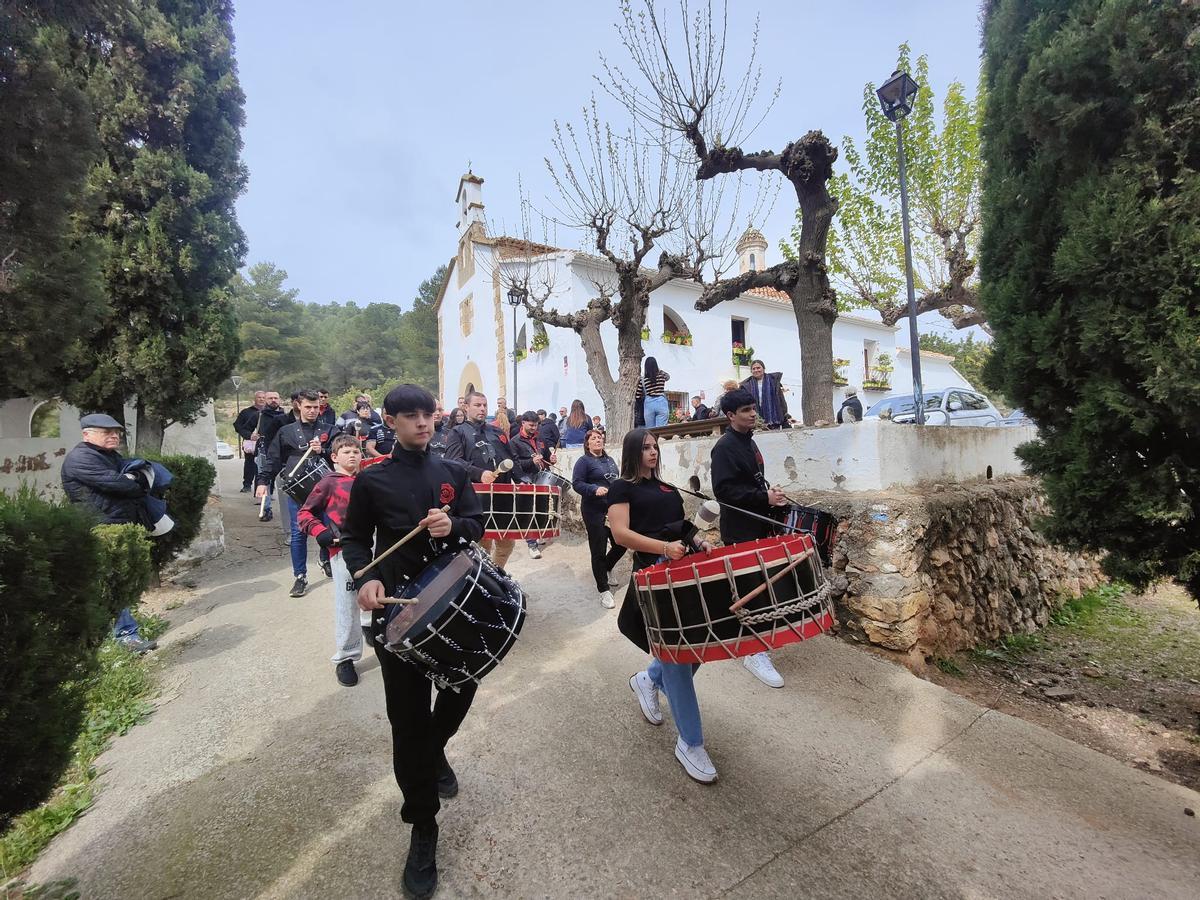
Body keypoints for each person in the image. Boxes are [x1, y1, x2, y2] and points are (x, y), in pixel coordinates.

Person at [340, 384, 485, 900]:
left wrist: (453, 525)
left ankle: (432, 749)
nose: (423, 422)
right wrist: (365, 578)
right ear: (391, 420)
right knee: (407, 721)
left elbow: (477, 525)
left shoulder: (453, 473)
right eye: (411, 415)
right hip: (398, 615)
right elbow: (354, 539)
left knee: (463, 688)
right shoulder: (371, 479)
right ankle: (423, 826)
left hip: (455, 607)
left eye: (428, 414)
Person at [609, 428, 717, 783]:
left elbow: (680, 527)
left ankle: (648, 679)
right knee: (677, 657)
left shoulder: (668, 489)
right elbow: (621, 534)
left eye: (655, 447)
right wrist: (663, 549)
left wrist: (698, 541)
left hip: (684, 575)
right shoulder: (622, 488)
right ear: (632, 452)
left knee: (699, 643)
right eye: (645, 448)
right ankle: (691, 743)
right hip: (653, 578)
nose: (653, 452)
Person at [710, 387, 790, 689]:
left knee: (760, 587)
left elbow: (750, 484)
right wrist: (762, 498)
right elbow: (724, 491)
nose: (753, 414)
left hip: (757, 525)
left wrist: (769, 495)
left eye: (753, 408)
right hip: (739, 529)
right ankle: (753, 652)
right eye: (745, 410)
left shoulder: (749, 441)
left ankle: (753, 642)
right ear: (731, 415)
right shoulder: (724, 447)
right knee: (750, 589)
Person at [61, 413, 157, 654]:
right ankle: (126, 637)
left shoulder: (109, 456)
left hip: (117, 524)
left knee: (119, 581)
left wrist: (132, 479)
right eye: (106, 432)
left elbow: (136, 479)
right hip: (102, 527)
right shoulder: (81, 458)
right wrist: (131, 480)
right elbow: (120, 484)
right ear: (87, 434)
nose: (114, 436)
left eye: (116, 432)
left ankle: (111, 632)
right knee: (113, 581)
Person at [298, 434, 366, 686]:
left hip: (373, 546)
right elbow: (305, 514)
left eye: (356, 451)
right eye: (346, 452)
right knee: (347, 602)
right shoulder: (328, 482)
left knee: (377, 591)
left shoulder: (368, 480)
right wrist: (320, 532)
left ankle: (370, 626)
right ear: (334, 457)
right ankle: (346, 657)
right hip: (343, 550)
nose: (353, 455)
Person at [256, 390, 333, 597]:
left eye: (316, 407)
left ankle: (325, 559)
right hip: (297, 490)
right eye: (308, 407)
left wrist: (323, 451)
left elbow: (339, 455)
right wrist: (263, 481)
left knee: (328, 528)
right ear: (299, 405)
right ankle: (300, 576)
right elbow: (273, 459)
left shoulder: (329, 429)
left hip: (325, 488)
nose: (312, 411)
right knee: (298, 533)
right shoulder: (286, 431)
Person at [445, 390, 517, 568]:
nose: (482, 409)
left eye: (485, 405)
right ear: (466, 407)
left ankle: (496, 575)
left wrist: (523, 480)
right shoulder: (457, 432)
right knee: (482, 545)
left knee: (506, 545)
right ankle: (483, 579)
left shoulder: (497, 431)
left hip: (501, 498)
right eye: (477, 405)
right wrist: (479, 473)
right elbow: (453, 461)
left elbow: (511, 460)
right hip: (475, 498)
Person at [572, 428, 625, 608]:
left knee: (622, 543)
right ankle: (604, 591)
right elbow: (577, 483)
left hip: (613, 509)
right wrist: (593, 489)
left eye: (600, 437)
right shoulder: (583, 461)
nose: (598, 440)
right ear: (587, 443)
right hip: (594, 511)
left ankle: (607, 567)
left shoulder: (610, 460)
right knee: (598, 550)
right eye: (594, 438)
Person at [510, 411, 557, 559]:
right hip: (526, 479)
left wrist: (552, 459)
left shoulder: (540, 438)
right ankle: (531, 544)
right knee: (529, 511)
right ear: (523, 423)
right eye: (531, 425)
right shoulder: (514, 442)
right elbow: (514, 465)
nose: (534, 428)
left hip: (542, 477)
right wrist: (531, 462)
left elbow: (547, 456)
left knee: (541, 509)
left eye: (536, 425)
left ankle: (537, 534)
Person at [255, 391, 288, 521]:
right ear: (265, 400)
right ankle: (266, 509)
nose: (273, 400)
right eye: (270, 398)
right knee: (265, 480)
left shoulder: (286, 417)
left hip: (282, 453)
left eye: (276, 398)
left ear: (280, 400)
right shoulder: (259, 415)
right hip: (265, 451)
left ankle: (288, 513)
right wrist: (249, 435)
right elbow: (241, 426)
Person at [740, 360, 789, 429]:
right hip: (756, 418)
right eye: (753, 369)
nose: (756, 370)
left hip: (774, 418)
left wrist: (784, 413)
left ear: (763, 369)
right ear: (751, 371)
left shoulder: (773, 381)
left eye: (758, 368)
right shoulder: (747, 385)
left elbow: (781, 399)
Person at [233, 391, 266, 493]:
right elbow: (238, 426)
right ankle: (247, 485)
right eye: (259, 397)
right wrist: (249, 435)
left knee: (264, 466)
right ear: (254, 399)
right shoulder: (246, 412)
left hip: (265, 443)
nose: (261, 399)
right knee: (250, 464)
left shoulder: (270, 412)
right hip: (251, 444)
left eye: (263, 397)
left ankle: (263, 488)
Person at [636, 356, 671, 428]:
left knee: (650, 429)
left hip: (649, 404)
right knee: (661, 429)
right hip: (661, 402)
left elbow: (638, 396)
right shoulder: (662, 376)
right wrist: (659, 370)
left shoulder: (643, 380)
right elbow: (668, 377)